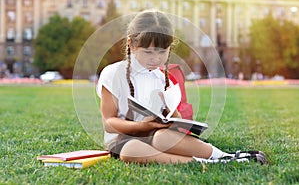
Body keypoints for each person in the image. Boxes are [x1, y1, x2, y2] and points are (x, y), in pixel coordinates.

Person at [96, 10, 267, 164]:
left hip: (154, 134)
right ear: (132, 45)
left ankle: (223, 156)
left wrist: (172, 117)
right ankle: (208, 163)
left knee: (163, 138)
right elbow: (109, 124)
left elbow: (172, 119)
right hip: (123, 139)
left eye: (162, 52)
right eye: (148, 52)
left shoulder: (162, 78)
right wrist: (142, 127)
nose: (155, 59)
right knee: (130, 152)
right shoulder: (113, 74)